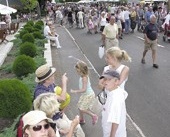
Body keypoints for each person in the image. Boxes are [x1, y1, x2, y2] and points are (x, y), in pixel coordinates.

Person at [100, 70, 128, 137]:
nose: (105, 81)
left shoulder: (116, 98)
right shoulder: (112, 90)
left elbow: (115, 121)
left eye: (109, 79)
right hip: (108, 130)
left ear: (116, 81)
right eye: (105, 79)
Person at [70, 60, 98, 125]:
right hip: (85, 94)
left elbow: (84, 89)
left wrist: (75, 91)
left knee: (82, 109)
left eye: (77, 70)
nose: (76, 72)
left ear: (81, 70)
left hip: (88, 95)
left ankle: (93, 115)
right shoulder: (82, 76)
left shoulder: (84, 78)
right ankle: (81, 120)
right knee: (80, 107)